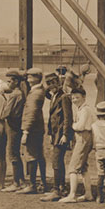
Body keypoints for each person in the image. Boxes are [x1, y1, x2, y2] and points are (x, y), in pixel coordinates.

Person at [40, 72, 73, 201]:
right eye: (49, 83)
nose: (51, 86)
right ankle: (61, 187)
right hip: (55, 134)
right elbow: (51, 118)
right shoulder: (53, 97)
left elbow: (67, 118)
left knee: (56, 161)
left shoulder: (63, 97)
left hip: (61, 134)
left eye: (54, 82)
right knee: (57, 161)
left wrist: (65, 134)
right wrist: (49, 133)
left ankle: (56, 189)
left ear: (58, 82)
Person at [59, 87, 95, 203]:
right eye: (73, 98)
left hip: (83, 136)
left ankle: (72, 195)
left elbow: (80, 126)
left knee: (73, 167)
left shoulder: (85, 110)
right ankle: (88, 193)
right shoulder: (80, 109)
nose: (75, 100)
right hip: (80, 137)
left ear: (84, 97)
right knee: (83, 167)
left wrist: (72, 125)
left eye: (77, 97)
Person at [18, 68, 48, 195]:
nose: (28, 79)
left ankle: (32, 184)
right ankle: (42, 182)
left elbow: (31, 113)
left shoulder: (35, 94)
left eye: (31, 77)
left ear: (37, 78)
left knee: (31, 156)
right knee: (39, 156)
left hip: (32, 129)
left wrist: (26, 131)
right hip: (37, 128)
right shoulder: (38, 90)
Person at [1, 70, 26, 192]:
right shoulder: (19, 93)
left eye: (9, 81)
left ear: (16, 81)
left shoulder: (15, 95)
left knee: (12, 154)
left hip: (12, 126)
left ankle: (17, 182)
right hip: (17, 125)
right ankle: (20, 181)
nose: (8, 83)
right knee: (15, 153)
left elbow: (6, 112)